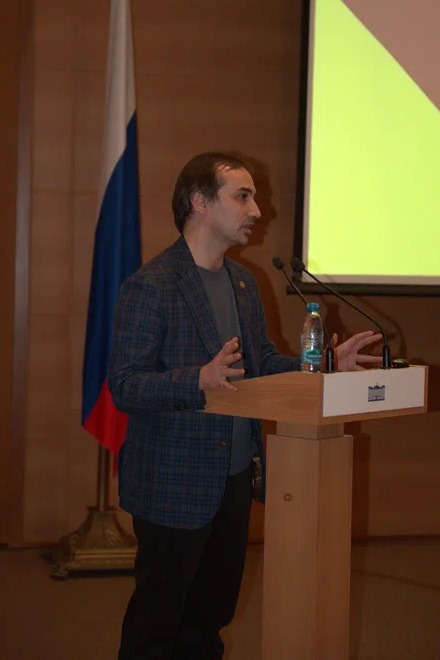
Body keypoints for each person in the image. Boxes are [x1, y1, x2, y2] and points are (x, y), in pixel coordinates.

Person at [108, 152, 381, 660]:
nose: (257, 210)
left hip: (234, 480)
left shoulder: (243, 283)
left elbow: (262, 363)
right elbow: (125, 385)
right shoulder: (151, 286)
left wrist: (323, 364)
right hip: (173, 485)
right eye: (243, 197)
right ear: (200, 203)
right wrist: (198, 379)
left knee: (208, 624)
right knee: (156, 626)